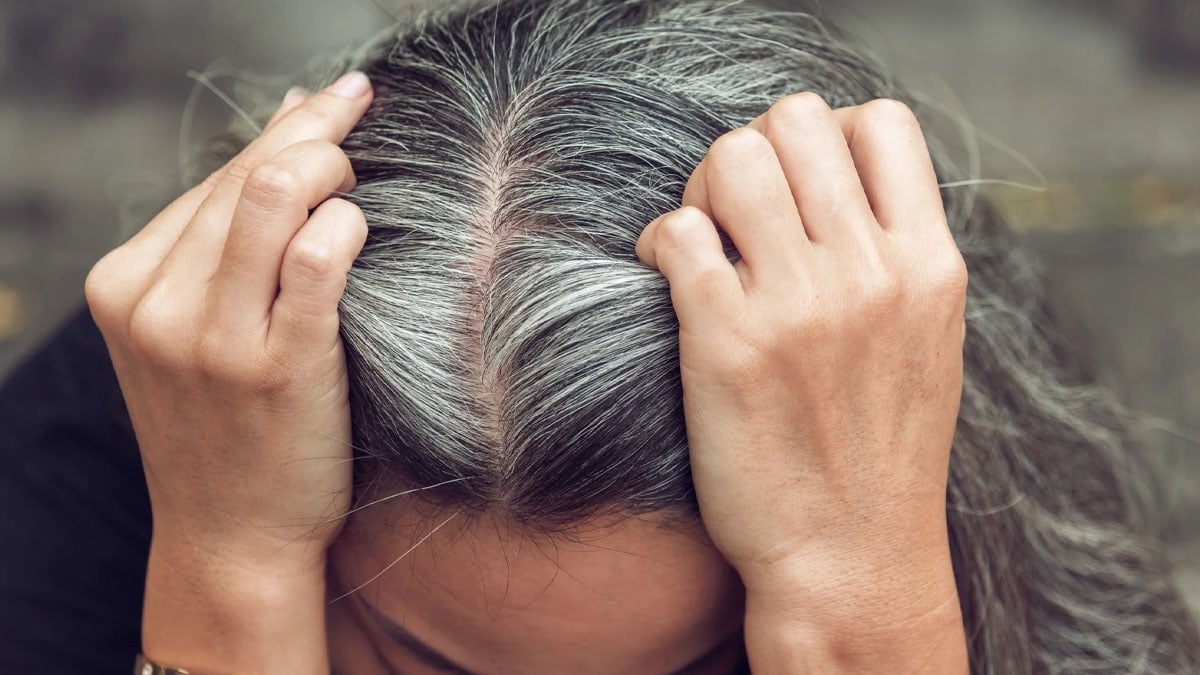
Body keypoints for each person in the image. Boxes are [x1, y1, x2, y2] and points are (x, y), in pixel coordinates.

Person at [1, 0, 1197, 673]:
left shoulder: (929, 469)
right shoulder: (96, 490)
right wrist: (229, 588)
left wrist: (860, 601)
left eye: (692, 671)